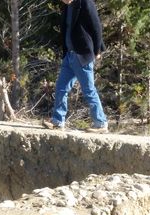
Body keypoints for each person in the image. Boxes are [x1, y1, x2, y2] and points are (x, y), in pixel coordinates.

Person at [44, 0, 108, 133]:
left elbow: (96, 26)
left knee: (89, 90)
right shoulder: (67, 6)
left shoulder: (85, 3)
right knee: (61, 87)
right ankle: (57, 121)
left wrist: (97, 50)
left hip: (82, 54)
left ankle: (101, 123)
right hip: (69, 55)